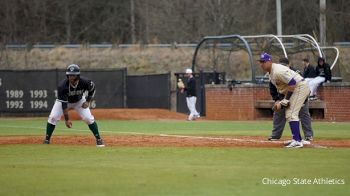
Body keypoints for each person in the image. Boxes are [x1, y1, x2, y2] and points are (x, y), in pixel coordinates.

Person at [43, 64, 105, 147]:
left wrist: (88, 101)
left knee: (88, 118)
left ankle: (99, 139)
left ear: (78, 76)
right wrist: (67, 120)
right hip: (65, 102)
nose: (71, 77)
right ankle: (47, 139)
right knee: (53, 117)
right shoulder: (62, 86)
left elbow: (92, 88)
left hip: (79, 101)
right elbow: (64, 104)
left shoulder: (85, 82)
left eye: (73, 75)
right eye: (69, 75)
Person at [259, 53, 310, 148]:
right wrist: (279, 101)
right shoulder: (271, 73)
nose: (262, 64)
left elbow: (292, 82)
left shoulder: (278, 71)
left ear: (270, 61)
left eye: (264, 62)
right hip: (295, 88)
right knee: (289, 113)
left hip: (299, 87)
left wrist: (286, 100)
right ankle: (297, 138)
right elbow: (284, 87)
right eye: (260, 62)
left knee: (291, 113)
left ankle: (297, 141)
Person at [268, 57, 313, 143]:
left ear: (289, 65)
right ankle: (276, 135)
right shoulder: (275, 73)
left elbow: (301, 85)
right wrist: (277, 100)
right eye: (282, 65)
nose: (283, 67)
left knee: (303, 113)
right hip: (284, 95)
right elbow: (273, 88)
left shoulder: (294, 72)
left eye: (285, 65)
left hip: (299, 94)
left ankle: (307, 136)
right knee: (280, 113)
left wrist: (299, 100)